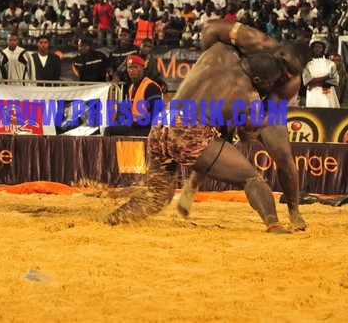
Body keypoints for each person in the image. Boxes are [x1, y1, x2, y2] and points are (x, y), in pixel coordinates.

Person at [105, 19, 311, 234]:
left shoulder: (219, 51)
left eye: (293, 73)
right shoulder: (250, 78)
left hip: (162, 123)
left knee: (157, 196)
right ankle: (273, 225)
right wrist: (252, 118)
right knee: (251, 178)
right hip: (193, 131)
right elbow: (247, 132)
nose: (287, 76)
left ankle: (110, 219)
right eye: (285, 70)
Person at [103, 55, 162, 137]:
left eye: (135, 67)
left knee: (109, 131)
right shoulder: (132, 87)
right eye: (130, 67)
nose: (132, 70)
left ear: (142, 69)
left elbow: (156, 114)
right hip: (137, 126)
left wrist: (134, 124)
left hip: (148, 128)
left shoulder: (151, 86)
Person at [302, 40, 340, 108]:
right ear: (312, 49)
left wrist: (314, 84)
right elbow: (307, 81)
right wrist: (326, 77)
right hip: (313, 96)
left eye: (319, 47)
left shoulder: (330, 64)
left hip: (328, 94)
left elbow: (334, 81)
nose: (317, 49)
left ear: (323, 49)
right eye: (315, 47)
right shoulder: (307, 64)